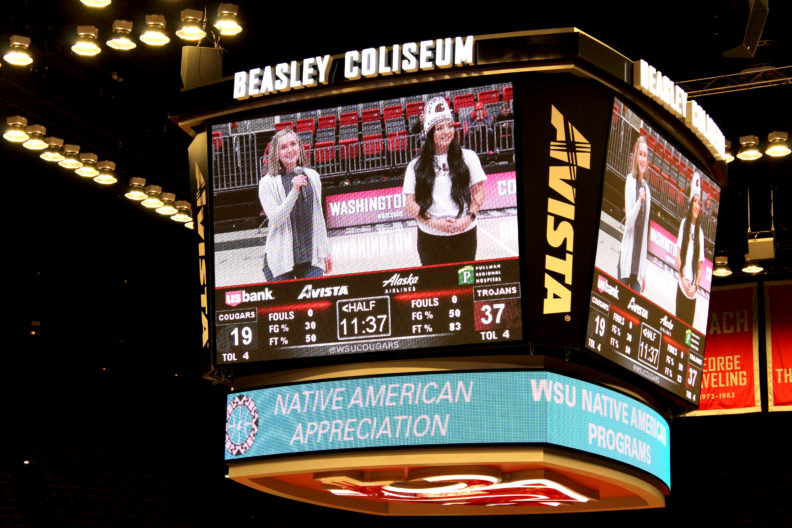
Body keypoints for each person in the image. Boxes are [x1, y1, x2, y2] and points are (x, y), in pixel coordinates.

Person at [403, 97, 486, 265]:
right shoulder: (415, 165)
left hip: (465, 234)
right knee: (435, 289)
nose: (446, 132)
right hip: (430, 237)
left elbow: (478, 192)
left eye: (449, 126)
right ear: (429, 132)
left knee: (464, 288)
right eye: (439, 128)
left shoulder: (469, 157)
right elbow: (410, 204)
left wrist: (468, 218)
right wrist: (433, 223)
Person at [258, 128, 332, 281]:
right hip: (280, 260)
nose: (290, 150)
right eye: (283, 147)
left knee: (316, 304)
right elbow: (277, 220)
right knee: (287, 305)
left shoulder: (312, 176)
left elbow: (319, 218)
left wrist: (326, 251)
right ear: (276, 153)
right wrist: (294, 191)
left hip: (311, 257)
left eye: (293, 144)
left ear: (300, 147)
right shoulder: (267, 183)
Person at [618, 135, 651, 292]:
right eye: (640, 154)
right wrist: (639, 201)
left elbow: (645, 233)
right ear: (635, 157)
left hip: (638, 269)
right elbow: (629, 223)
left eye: (645, 155)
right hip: (626, 262)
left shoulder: (648, 190)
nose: (643, 159)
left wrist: (643, 272)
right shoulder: (630, 181)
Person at [675, 174, 705, 325]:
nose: (697, 206)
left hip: (692, 293)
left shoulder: (701, 233)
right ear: (690, 203)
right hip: (682, 286)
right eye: (695, 202)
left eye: (699, 203)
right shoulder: (683, 224)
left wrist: (695, 286)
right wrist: (682, 278)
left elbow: (700, 267)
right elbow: (678, 254)